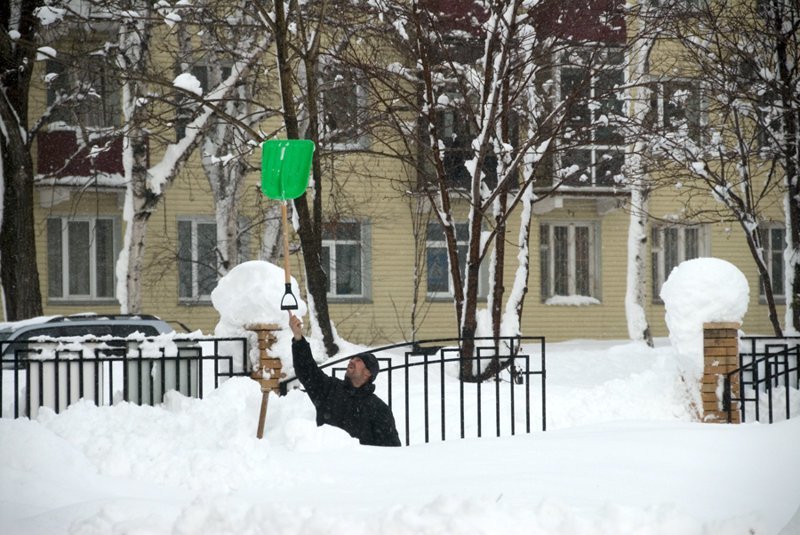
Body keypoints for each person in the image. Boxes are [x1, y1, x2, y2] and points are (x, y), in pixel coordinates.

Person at [289, 314, 401, 447]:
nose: (352, 360)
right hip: (324, 462)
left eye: (358, 360)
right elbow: (307, 372)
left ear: (367, 373)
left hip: (359, 465)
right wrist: (298, 338)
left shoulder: (378, 409)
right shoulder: (330, 389)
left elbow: (391, 450)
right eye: (352, 358)